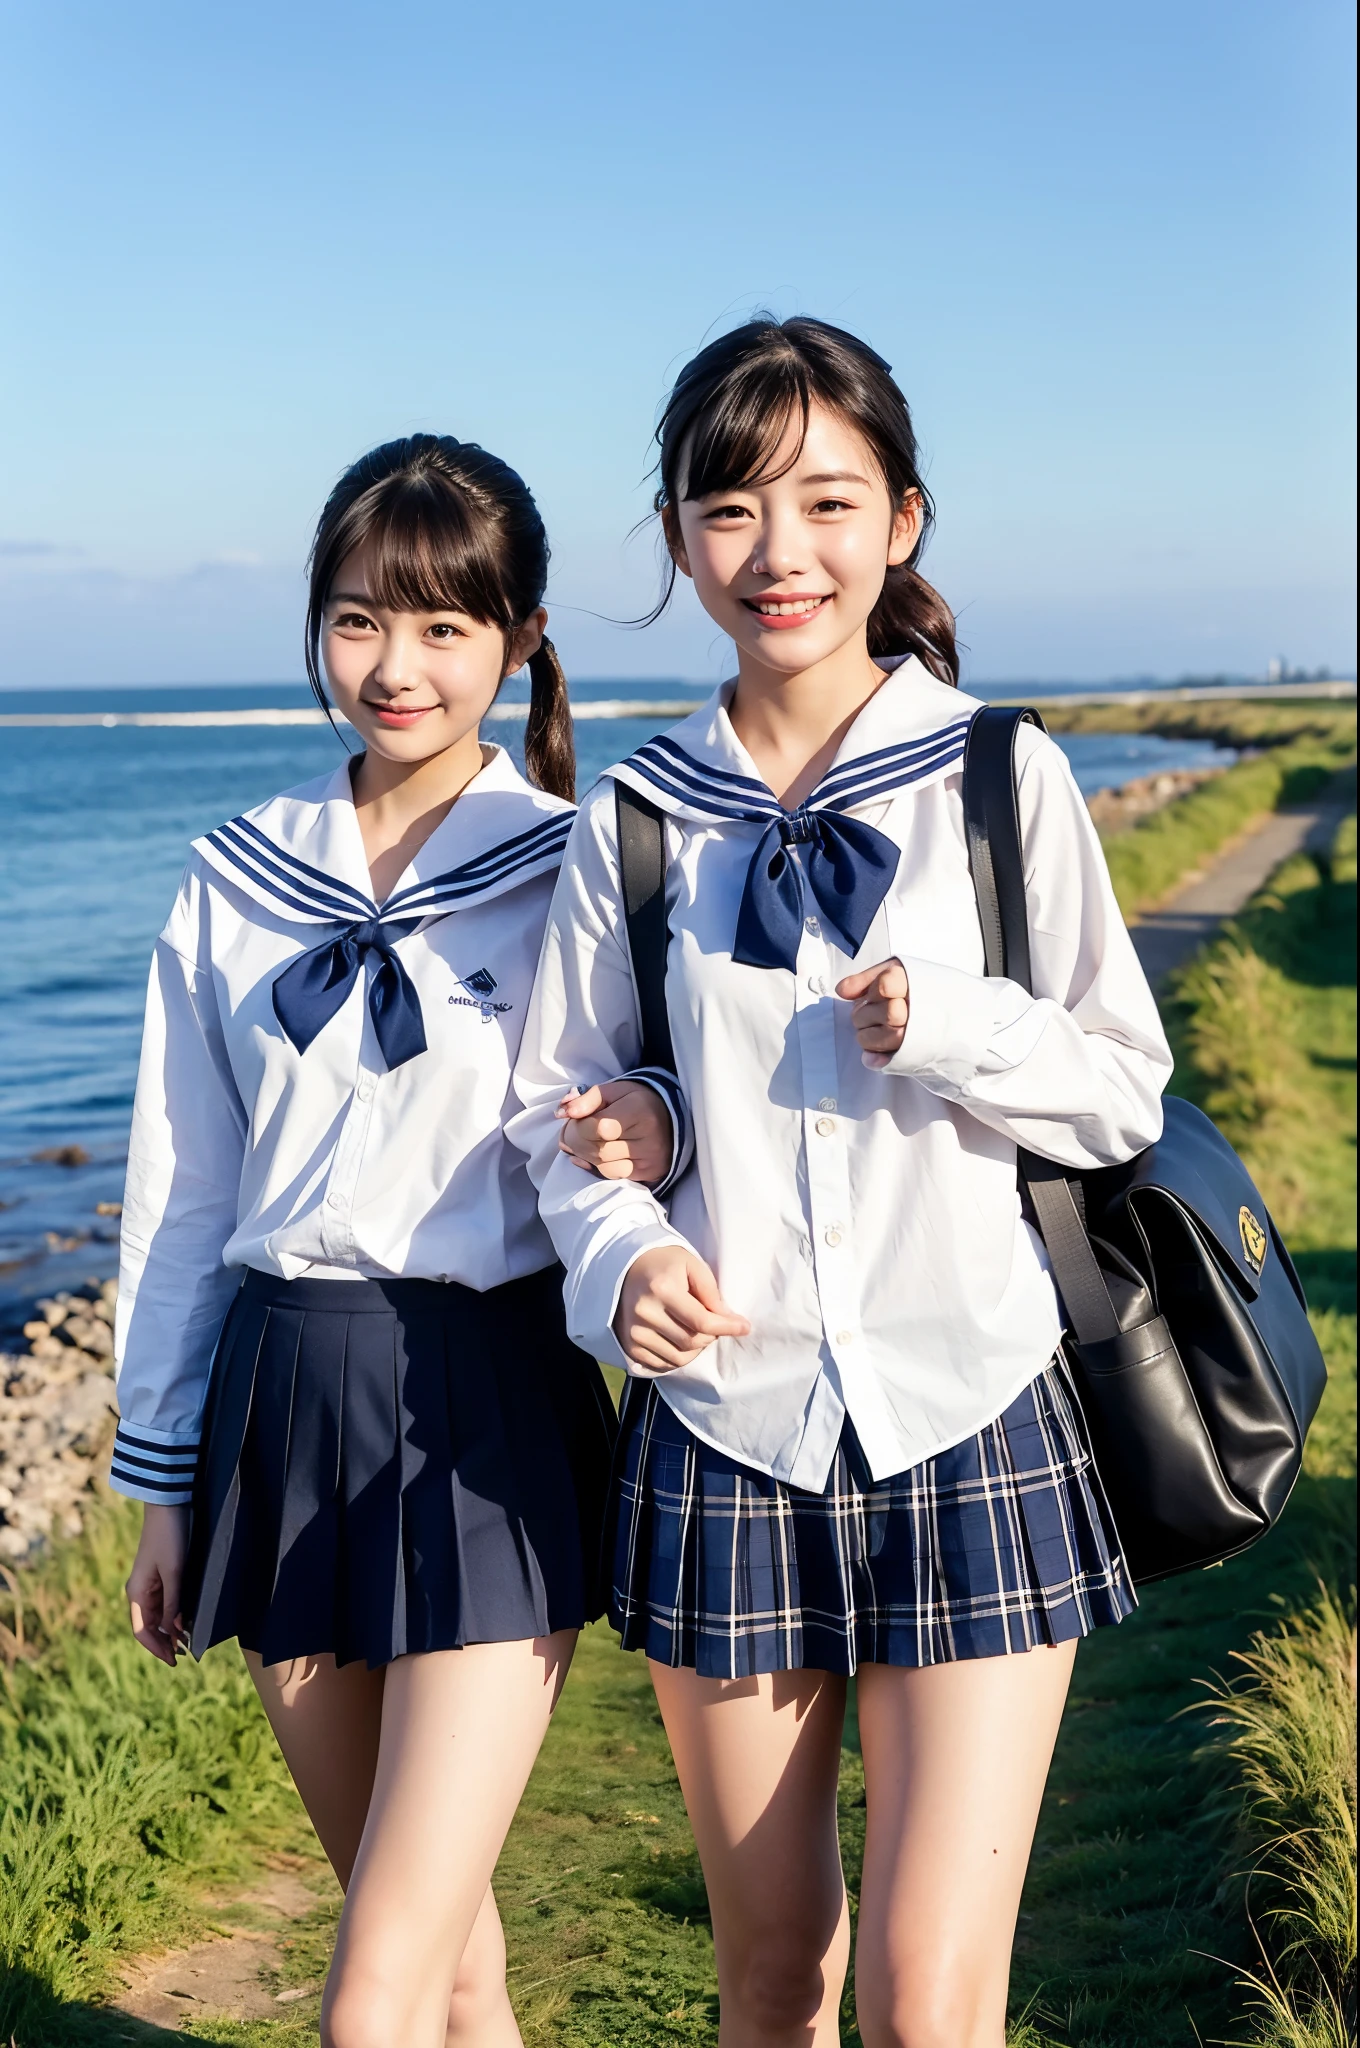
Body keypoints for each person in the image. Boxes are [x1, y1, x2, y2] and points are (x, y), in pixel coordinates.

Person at [510, 319, 1173, 2048]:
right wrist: (623, 1249)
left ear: (904, 521)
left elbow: (1120, 1093)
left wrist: (950, 1026)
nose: (779, 552)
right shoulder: (637, 814)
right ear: (677, 539)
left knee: (928, 1997)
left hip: (975, 1407)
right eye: (729, 508)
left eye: (824, 501)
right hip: (728, 1426)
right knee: (772, 1971)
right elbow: (558, 1121)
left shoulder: (998, 775)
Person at [114, 435, 683, 2048]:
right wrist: (162, 1480)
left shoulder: (576, 864)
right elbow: (184, 1195)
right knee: (440, 1963)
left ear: (520, 636)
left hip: (485, 1401)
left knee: (368, 1995)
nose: (398, 666)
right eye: (362, 619)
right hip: (281, 1399)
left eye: (445, 626)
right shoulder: (237, 875)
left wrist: (653, 1119)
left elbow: (663, 1120)